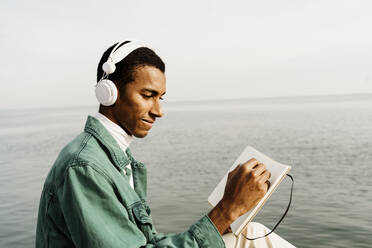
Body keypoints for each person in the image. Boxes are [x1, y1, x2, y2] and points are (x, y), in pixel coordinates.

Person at [35, 39, 295, 248]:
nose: (158, 111)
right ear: (109, 91)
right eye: (148, 96)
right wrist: (225, 211)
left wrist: (226, 219)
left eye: (161, 98)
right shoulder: (84, 168)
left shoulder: (116, 160)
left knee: (253, 233)